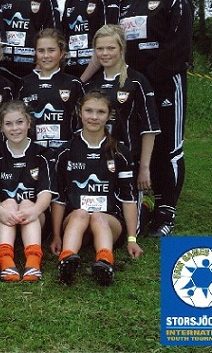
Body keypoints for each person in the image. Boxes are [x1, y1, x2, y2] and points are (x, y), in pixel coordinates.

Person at [118, 0, 193, 237]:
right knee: (138, 146)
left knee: (167, 148)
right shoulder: (127, 3)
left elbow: (178, 48)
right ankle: (142, 203)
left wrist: (148, 79)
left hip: (165, 87)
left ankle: (166, 210)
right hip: (134, 88)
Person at [50, 90, 143, 286]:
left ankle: (104, 263)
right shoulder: (65, 151)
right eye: (89, 111)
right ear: (79, 112)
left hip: (109, 223)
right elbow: (59, 199)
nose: (94, 117)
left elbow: (128, 198)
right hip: (76, 222)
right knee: (81, 214)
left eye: (100, 112)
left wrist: (132, 239)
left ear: (109, 116)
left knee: (98, 216)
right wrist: (57, 235)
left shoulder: (120, 152)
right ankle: (66, 261)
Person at [84, 25, 160, 214]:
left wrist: (144, 168)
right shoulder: (92, 84)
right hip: (97, 160)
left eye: (111, 48)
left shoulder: (137, 81)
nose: (105, 53)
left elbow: (149, 128)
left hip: (128, 160)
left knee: (129, 221)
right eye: (100, 48)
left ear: (122, 48)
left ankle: (144, 207)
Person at [0, 100, 55, 282]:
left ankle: (33, 262)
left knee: (26, 203)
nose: (15, 128)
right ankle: (6, 261)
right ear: (1, 127)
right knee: (8, 202)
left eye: (19, 122)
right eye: (8, 124)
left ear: (28, 123)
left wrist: (34, 210)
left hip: (34, 218)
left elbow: (46, 193)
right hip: (3, 219)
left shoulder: (42, 154)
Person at [19, 28, 84, 150]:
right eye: (41, 51)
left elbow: (82, 121)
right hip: (34, 152)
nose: (46, 55)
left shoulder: (73, 83)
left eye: (51, 50)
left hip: (65, 151)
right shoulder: (24, 83)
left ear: (62, 53)